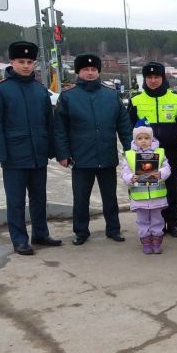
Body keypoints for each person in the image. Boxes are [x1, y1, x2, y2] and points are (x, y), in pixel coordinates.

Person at [0, 41, 62, 255]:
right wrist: (0, 155)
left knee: (39, 198)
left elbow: (49, 122)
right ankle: (19, 239)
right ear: (12, 62)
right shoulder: (0, 91)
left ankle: (40, 233)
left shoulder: (40, 91)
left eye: (30, 62)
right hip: (14, 157)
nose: (26, 66)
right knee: (16, 201)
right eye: (21, 62)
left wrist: (51, 150)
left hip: (38, 155)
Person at [54, 53, 131, 246]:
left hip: (106, 155)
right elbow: (60, 129)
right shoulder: (68, 97)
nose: (90, 73)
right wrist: (62, 154)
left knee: (110, 197)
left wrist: (131, 151)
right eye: (86, 70)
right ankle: (81, 231)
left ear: (98, 72)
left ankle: (113, 229)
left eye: (94, 70)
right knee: (81, 198)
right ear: (78, 72)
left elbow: (124, 126)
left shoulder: (111, 95)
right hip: (80, 158)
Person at [128, 62, 177, 237]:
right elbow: (128, 128)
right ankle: (155, 225)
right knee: (151, 189)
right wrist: (131, 152)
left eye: (157, 77)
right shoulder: (135, 100)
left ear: (163, 78)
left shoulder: (176, 98)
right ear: (145, 79)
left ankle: (173, 223)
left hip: (170, 151)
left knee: (171, 188)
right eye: (149, 77)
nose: (153, 81)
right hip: (146, 154)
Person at [121, 118, 171, 254]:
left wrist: (160, 174)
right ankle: (146, 241)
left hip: (156, 196)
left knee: (157, 220)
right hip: (140, 197)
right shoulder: (130, 155)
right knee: (142, 221)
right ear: (135, 140)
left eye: (146, 138)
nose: (143, 141)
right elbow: (124, 173)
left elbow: (167, 168)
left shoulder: (159, 153)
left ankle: (156, 241)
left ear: (152, 139)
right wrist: (131, 177)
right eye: (140, 138)